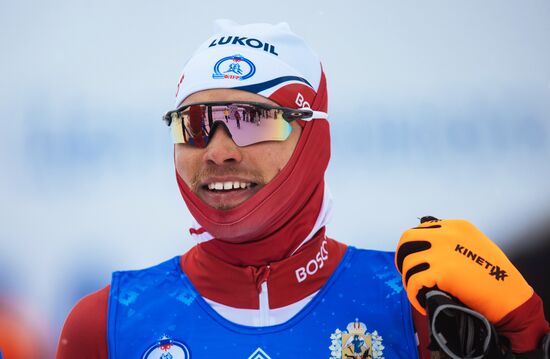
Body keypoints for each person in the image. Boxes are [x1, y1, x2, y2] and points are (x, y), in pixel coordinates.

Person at [57, 20, 549, 358]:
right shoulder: (105, 324)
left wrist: (527, 336)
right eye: (195, 124)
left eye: (251, 120)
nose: (218, 151)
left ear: (313, 135)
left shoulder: (416, 307)